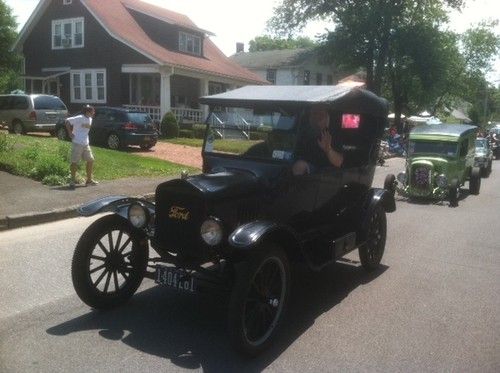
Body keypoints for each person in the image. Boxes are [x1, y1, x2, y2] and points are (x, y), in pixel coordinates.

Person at [293, 105, 343, 175]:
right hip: (307, 171)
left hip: (329, 175)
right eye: (314, 113)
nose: (317, 117)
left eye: (321, 114)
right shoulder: (302, 132)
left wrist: (328, 150)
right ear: (310, 116)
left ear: (327, 117)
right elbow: (293, 155)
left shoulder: (334, 133)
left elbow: (339, 162)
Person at [65, 105, 98, 189]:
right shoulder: (79, 117)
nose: (94, 113)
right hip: (77, 142)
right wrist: (70, 132)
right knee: (74, 162)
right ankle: (72, 180)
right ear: (87, 112)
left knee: (90, 160)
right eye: (92, 111)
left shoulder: (90, 119)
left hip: (85, 143)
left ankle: (89, 180)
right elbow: (67, 121)